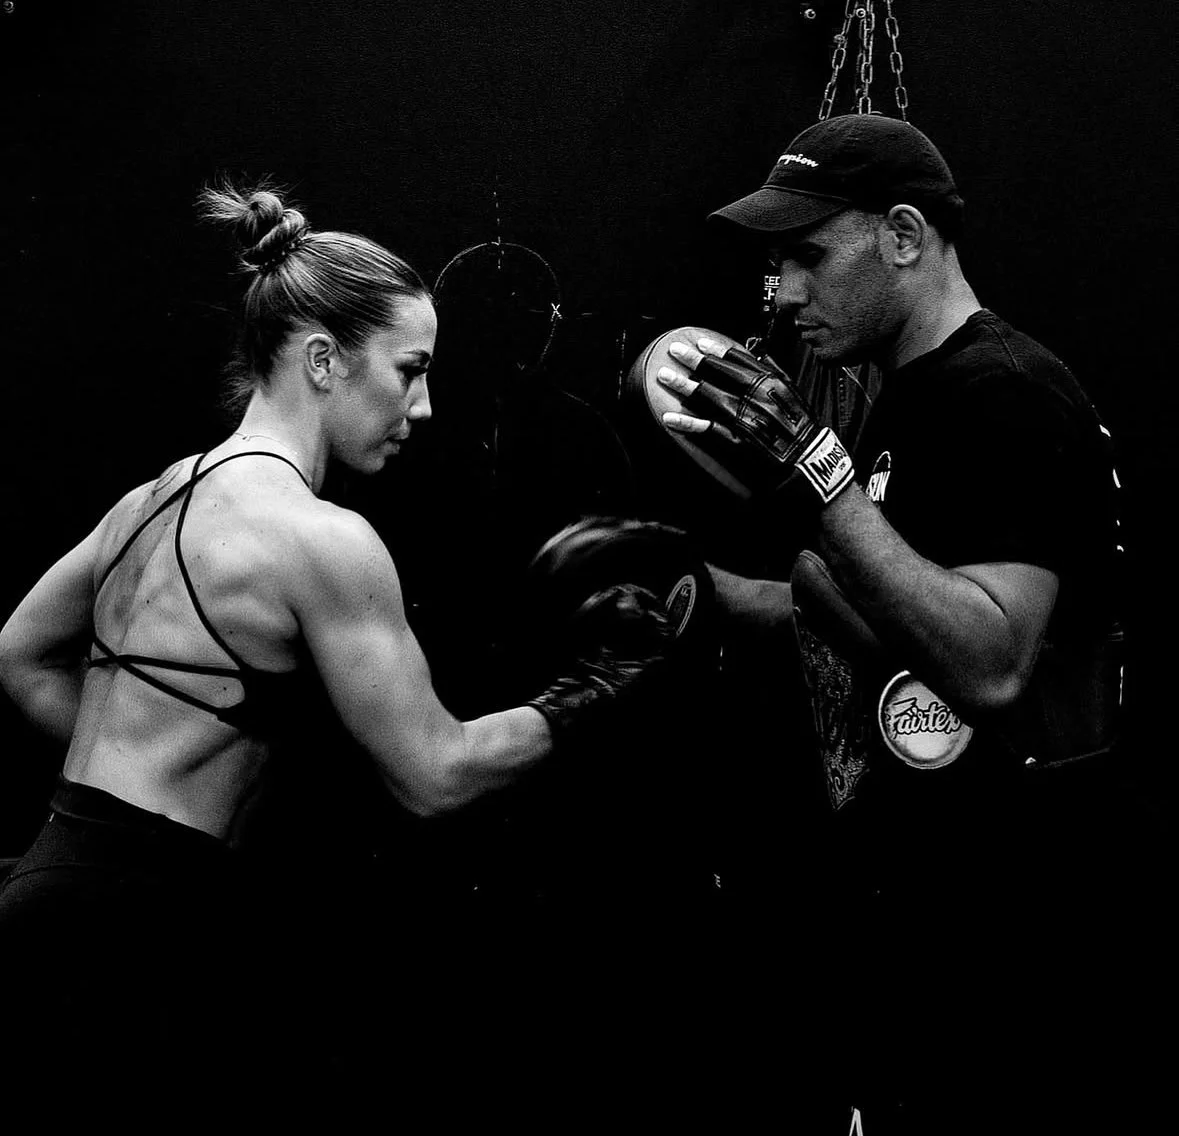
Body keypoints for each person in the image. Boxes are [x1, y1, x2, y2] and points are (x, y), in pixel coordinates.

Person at [0, 181, 672, 1088]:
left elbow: (22, 653)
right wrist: (598, 687)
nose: (424, 406)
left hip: (45, 887)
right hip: (141, 926)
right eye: (410, 368)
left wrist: (130, 778)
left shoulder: (147, 500)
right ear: (322, 361)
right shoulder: (320, 539)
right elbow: (435, 774)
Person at [652, 115, 1135, 1131]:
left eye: (808, 257)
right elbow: (890, 614)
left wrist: (820, 479)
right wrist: (689, 588)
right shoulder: (911, 398)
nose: (783, 293)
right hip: (923, 904)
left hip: (1012, 923)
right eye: (778, 265)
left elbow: (990, 659)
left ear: (905, 236)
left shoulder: (1003, 392)